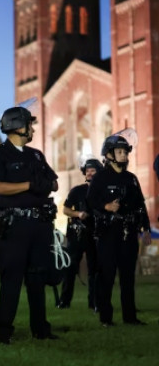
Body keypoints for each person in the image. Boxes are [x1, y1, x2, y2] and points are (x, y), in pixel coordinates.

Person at [0, 105, 59, 344]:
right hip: (15, 225)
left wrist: (44, 184)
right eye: (30, 124)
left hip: (39, 224)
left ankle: (41, 330)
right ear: (18, 125)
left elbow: (54, 184)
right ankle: (4, 331)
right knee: (12, 279)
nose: (32, 129)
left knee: (38, 279)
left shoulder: (36, 154)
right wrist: (29, 185)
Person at [87, 131, 151, 326]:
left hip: (129, 232)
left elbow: (140, 203)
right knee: (106, 275)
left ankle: (130, 317)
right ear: (109, 155)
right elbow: (90, 201)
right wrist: (106, 207)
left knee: (128, 276)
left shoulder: (131, 179)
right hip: (108, 233)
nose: (124, 155)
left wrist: (146, 227)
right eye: (120, 151)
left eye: (125, 151)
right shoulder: (100, 178)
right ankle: (106, 318)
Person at [57, 157, 101, 310]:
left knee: (94, 269)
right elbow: (65, 210)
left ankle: (94, 303)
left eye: (93, 170)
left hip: (95, 234)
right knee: (69, 268)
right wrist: (78, 215)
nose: (89, 173)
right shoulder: (77, 191)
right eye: (87, 171)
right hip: (77, 235)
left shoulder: (103, 192)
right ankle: (65, 301)